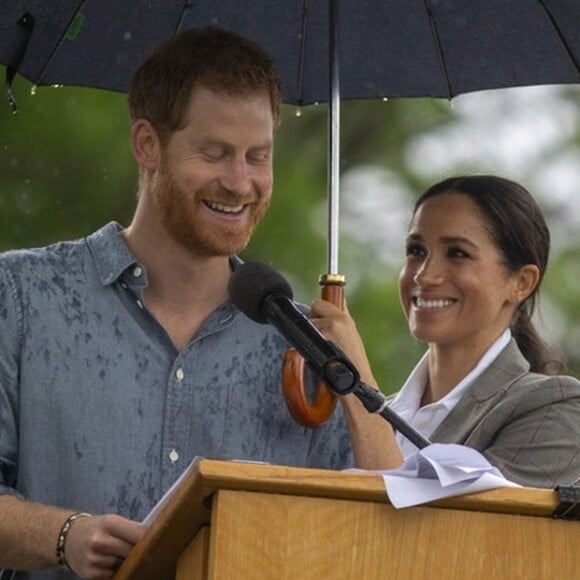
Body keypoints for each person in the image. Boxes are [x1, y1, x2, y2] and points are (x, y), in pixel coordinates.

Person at [0, 28, 390, 579]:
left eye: (258, 157)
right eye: (215, 154)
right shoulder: (20, 295)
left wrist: (358, 382)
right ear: (147, 145)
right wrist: (66, 535)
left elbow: (377, 537)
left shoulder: (310, 348)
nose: (240, 182)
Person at [311, 174, 580, 488]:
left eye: (458, 254)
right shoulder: (384, 412)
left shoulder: (555, 409)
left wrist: (355, 383)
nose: (425, 275)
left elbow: (430, 531)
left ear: (521, 282)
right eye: (416, 251)